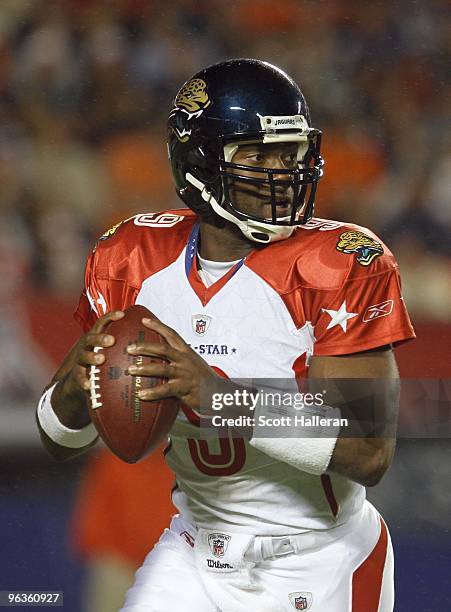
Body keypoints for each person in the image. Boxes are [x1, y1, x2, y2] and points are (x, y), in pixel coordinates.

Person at [37, 59, 415, 611]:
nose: (282, 172)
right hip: (195, 549)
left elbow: (367, 449)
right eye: (257, 156)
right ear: (200, 162)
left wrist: (213, 395)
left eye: (290, 154)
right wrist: (72, 392)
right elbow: (59, 441)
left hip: (318, 557)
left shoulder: (341, 262)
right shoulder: (129, 260)